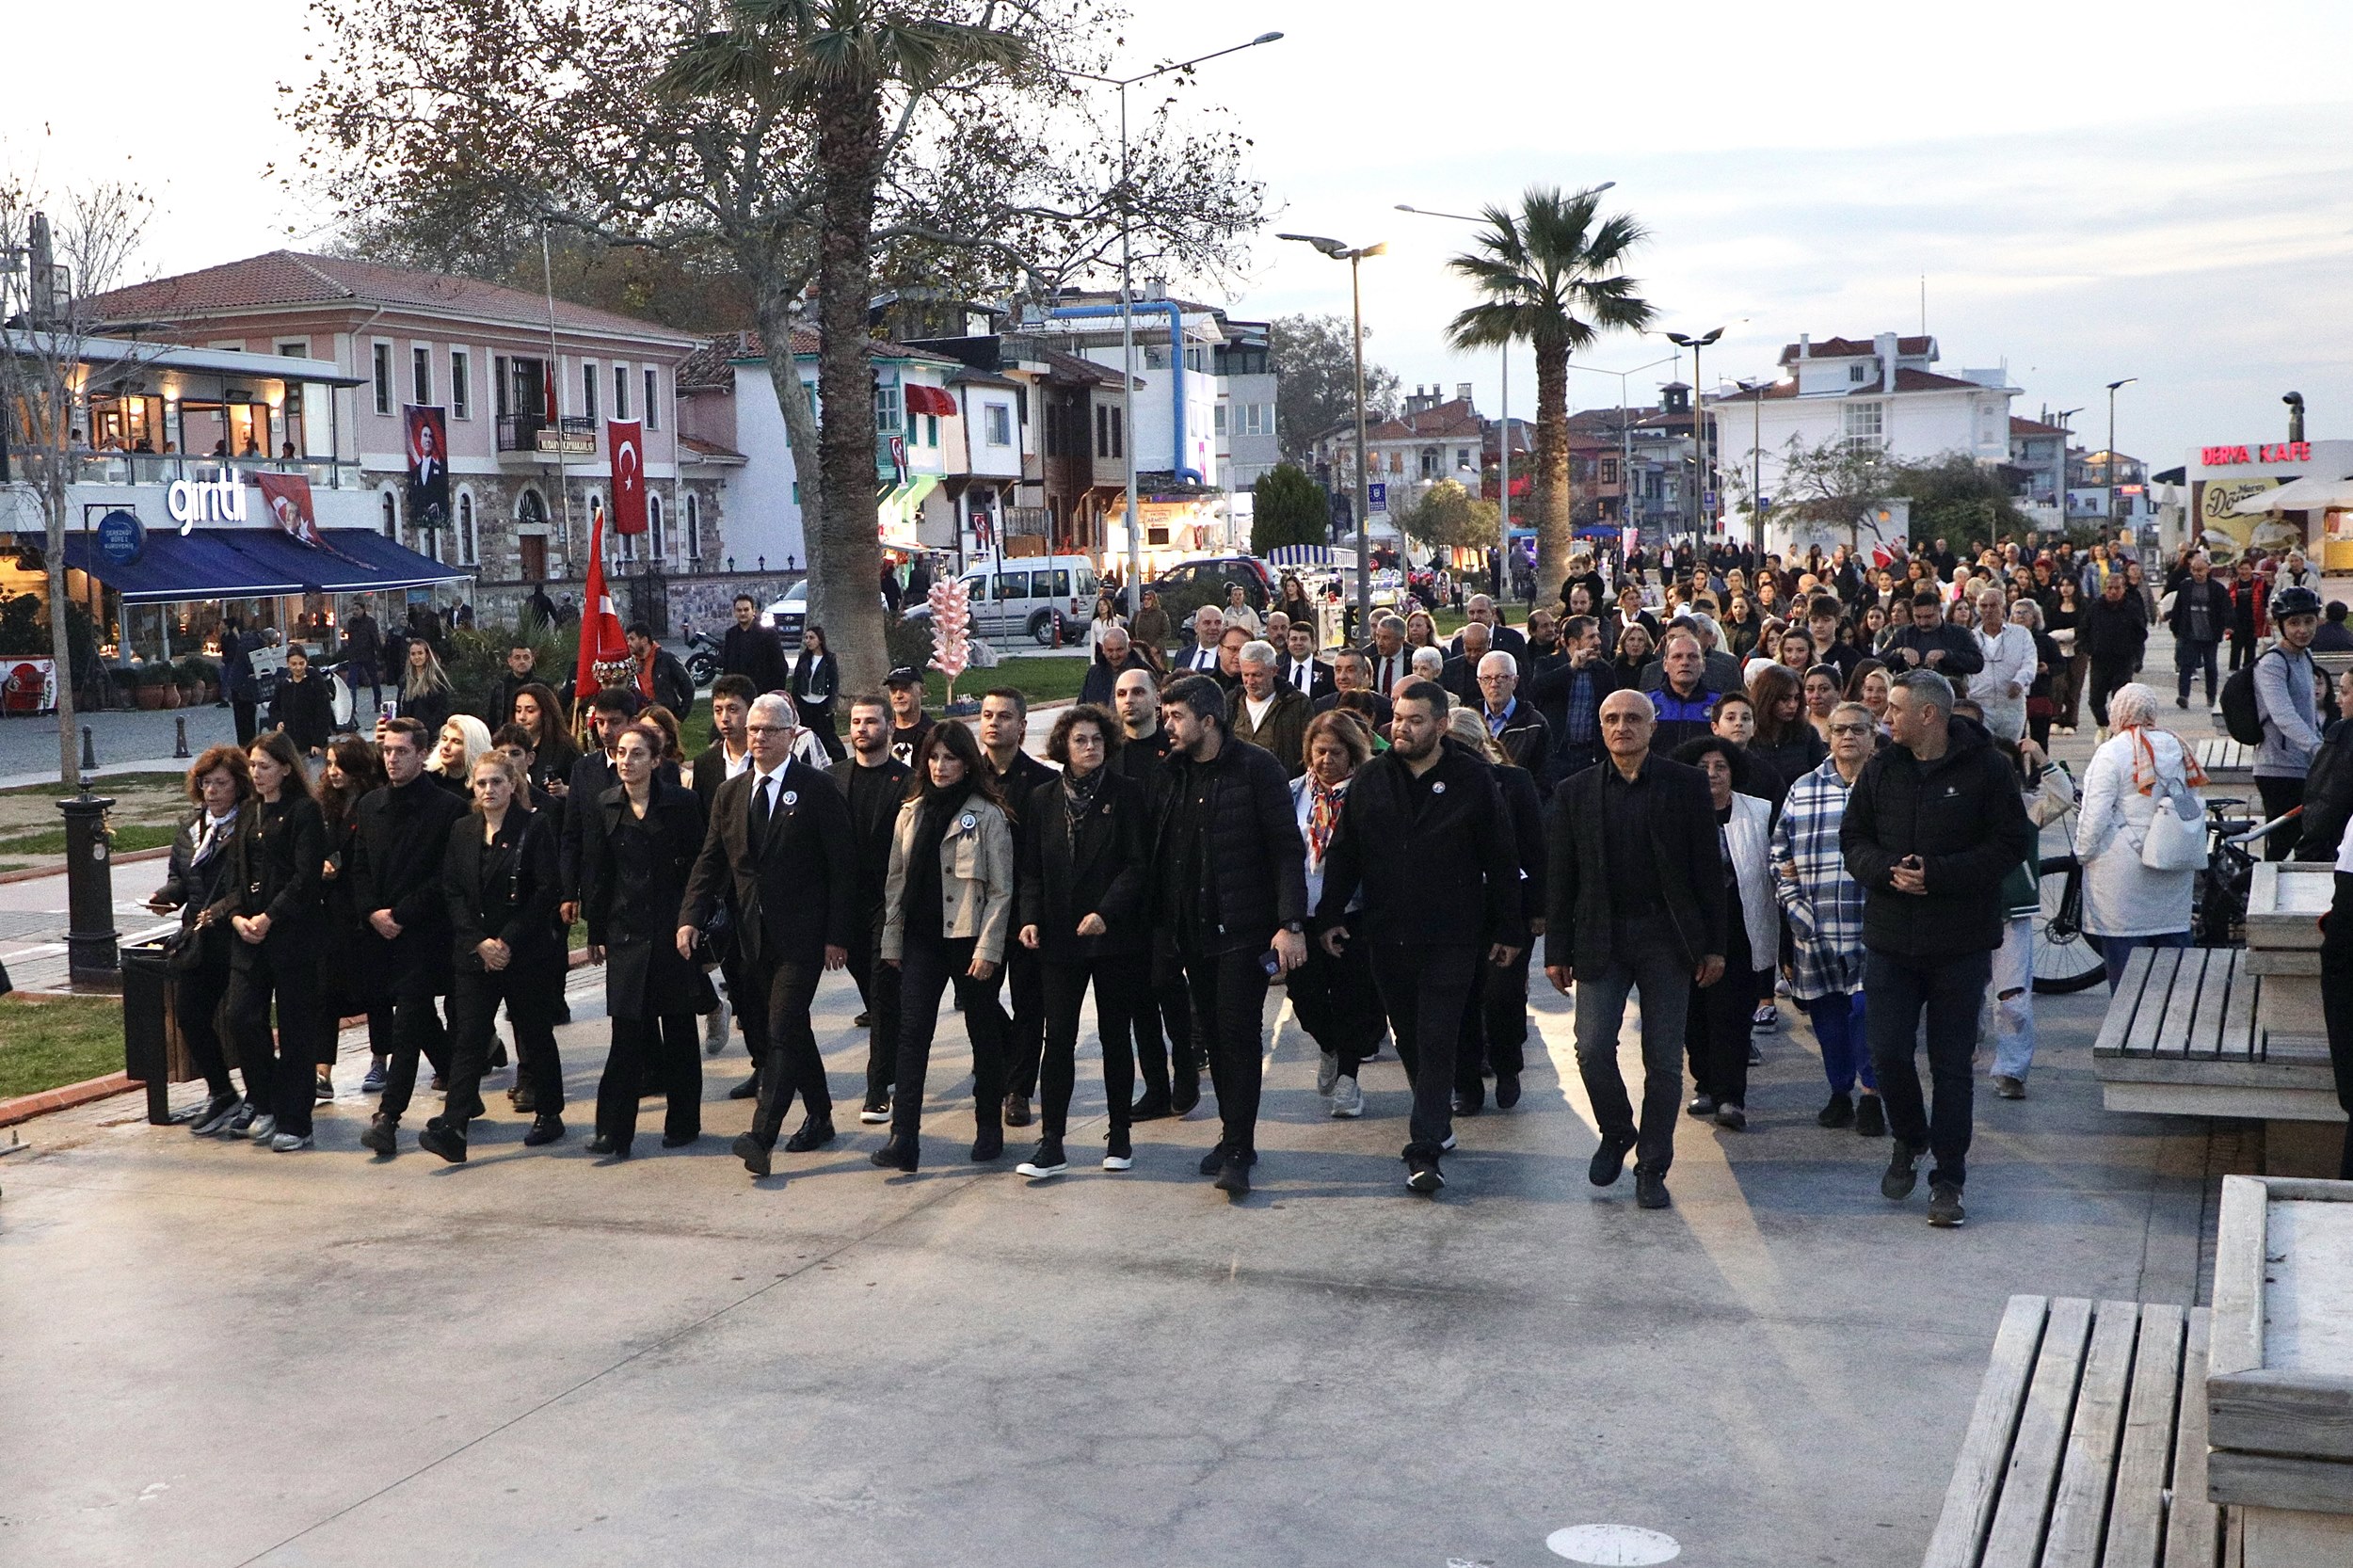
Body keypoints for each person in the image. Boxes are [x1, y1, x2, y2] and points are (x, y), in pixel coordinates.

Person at [1840, 669, 2033, 1229]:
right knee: (1888, 1053)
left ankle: (1949, 1179)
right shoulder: (1881, 768)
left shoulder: (1988, 768)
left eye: (1895, 709)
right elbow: (1853, 839)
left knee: (1952, 1068)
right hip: (1891, 940)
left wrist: (1940, 875)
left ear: (1929, 715)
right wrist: (1887, 871)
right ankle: (1910, 1136)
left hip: (1959, 943)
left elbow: (2010, 843)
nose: (1885, 718)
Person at [1315, 683, 1520, 1192]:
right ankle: (1437, 1119)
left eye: (1415, 720)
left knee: (1436, 1034)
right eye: (1399, 719)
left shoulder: (1472, 778)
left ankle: (1423, 1148)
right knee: (1409, 1035)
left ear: (1442, 726)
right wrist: (1330, 913)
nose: (1401, 728)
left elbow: (1500, 855)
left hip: (1453, 933)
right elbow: (1346, 850)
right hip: (1387, 934)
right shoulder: (1372, 778)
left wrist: (1509, 927)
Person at [1544, 689, 1725, 1210]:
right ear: (1601, 728)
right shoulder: (1575, 791)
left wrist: (1714, 946)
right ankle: (1617, 1129)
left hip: (1667, 938)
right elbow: (1561, 876)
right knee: (1592, 1047)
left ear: (1652, 726)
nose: (1621, 727)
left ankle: (1652, 1165)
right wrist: (1557, 948)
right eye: (1611, 719)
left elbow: (1707, 872)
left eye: (1632, 718)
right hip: (1601, 936)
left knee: (1664, 1061)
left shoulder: (1686, 785)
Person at [674, 693, 855, 1175]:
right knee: (792, 1027)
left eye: (769, 730)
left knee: (780, 1029)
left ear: (791, 735)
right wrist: (690, 916)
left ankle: (762, 1136)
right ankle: (820, 1116)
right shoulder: (730, 794)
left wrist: (838, 935)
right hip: (750, 937)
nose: (757, 738)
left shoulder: (816, 788)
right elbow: (710, 861)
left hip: (803, 937)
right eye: (753, 729)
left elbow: (843, 868)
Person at [1157, 675, 1308, 1195]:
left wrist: (1290, 924)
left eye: (1176, 716)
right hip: (1192, 933)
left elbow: (1286, 848)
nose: (1167, 725)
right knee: (1215, 1040)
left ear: (1208, 720)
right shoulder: (1173, 772)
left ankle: (1240, 1149)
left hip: (1245, 931)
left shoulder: (1256, 767)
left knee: (1239, 1037)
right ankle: (1231, 1133)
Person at [1014, 705, 1151, 1177]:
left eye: (1096, 739)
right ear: (1064, 747)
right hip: (1059, 937)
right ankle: (1052, 1141)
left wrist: (1105, 912)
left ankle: (1120, 1135)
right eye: (1080, 740)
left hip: (1113, 938)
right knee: (1058, 1040)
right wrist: (1030, 919)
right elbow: (1031, 870)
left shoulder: (1127, 793)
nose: (1090, 747)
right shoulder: (1043, 798)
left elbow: (1137, 865)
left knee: (1115, 1036)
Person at [872, 723, 1016, 1171]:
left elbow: (1001, 891)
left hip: (969, 938)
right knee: (912, 1034)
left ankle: (989, 1125)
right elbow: (895, 882)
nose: (940, 766)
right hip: (921, 939)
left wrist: (988, 949)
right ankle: (904, 1137)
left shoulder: (987, 816)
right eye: (933, 758)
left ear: (967, 763)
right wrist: (891, 939)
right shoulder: (911, 812)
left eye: (950, 758)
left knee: (982, 1031)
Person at [415, 748, 567, 1161]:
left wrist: (506, 941)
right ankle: (454, 1126)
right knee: (468, 1039)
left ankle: (549, 1112)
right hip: (475, 955)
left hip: (524, 953)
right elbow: (452, 890)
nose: (488, 790)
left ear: (513, 784)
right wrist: (479, 941)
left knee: (534, 1034)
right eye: (481, 783)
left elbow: (546, 891)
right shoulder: (463, 830)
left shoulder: (534, 826)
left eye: (497, 782)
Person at [581, 723, 713, 1160]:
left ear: (656, 761)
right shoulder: (605, 804)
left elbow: (700, 867)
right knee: (626, 1036)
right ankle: (612, 1132)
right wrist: (596, 931)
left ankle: (684, 1122)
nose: (626, 761)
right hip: (626, 935)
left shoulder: (681, 803)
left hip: (674, 932)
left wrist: (693, 919)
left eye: (637, 754)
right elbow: (598, 872)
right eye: (621, 752)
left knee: (678, 1030)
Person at [351, 718, 471, 1156]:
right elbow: (359, 866)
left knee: (407, 1023)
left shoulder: (448, 808)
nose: (392, 759)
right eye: (387, 750)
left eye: (402, 751)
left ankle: (388, 1117)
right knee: (420, 1021)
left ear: (423, 754)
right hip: (379, 933)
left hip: (424, 934)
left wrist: (400, 914)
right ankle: (461, 1083)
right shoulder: (370, 805)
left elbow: (446, 876)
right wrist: (372, 912)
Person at [1772, 703, 1884, 1136]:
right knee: (1829, 1020)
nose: (1847, 737)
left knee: (1866, 1010)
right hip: (1815, 927)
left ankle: (1872, 1093)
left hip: (1873, 925)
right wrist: (1795, 908)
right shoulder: (1803, 788)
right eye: (1839, 730)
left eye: (1857, 729)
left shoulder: (1887, 785)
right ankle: (1840, 1092)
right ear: (1828, 737)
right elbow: (1779, 853)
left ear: (1873, 735)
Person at [1669, 735, 1778, 1131]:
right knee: (1694, 1014)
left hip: (1741, 926)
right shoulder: (1674, 810)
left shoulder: (1759, 811)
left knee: (1732, 1014)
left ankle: (1732, 1096)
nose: (1712, 774)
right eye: (1703, 768)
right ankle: (1705, 1084)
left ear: (1734, 772)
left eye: (1721, 767)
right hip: (1689, 930)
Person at [152, 747, 263, 1135]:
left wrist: (221, 910)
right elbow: (181, 878)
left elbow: (251, 883)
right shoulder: (191, 828)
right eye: (205, 783)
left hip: (238, 935)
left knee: (243, 1018)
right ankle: (221, 1091)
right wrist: (166, 896)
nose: (211, 791)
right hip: (199, 940)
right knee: (190, 1014)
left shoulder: (250, 825)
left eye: (220, 783)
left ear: (239, 785)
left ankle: (260, 1095)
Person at [1443, 705, 1546, 1117]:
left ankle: (1507, 1066)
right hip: (1455, 909)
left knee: (1503, 995)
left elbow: (1535, 846)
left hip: (1507, 907)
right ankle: (1466, 1084)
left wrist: (1537, 908)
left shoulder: (1513, 781)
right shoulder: (1436, 784)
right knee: (1460, 999)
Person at [1112, 666, 1199, 1119]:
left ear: (1156, 700)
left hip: (1169, 888)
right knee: (1137, 997)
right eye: (1121, 693)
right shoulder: (1109, 753)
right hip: (1125, 895)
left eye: (1138, 692)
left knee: (1167, 984)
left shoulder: (1176, 753)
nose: (1129, 700)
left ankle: (1186, 1070)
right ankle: (1155, 1086)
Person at [2075, 683, 2202, 992]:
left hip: (2122, 877)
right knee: (2174, 975)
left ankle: (2130, 1022)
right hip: (2172, 866)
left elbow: (2094, 816)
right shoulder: (2176, 746)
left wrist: (2082, 853)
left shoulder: (2111, 752)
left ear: (2117, 712)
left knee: (2128, 980)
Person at [1288, 711, 1383, 1120]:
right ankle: (1328, 1047)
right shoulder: (1293, 793)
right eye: (1320, 751)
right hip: (1301, 915)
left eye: (1336, 752)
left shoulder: (1368, 794)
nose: (1326, 760)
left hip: (1351, 913)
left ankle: (1348, 1078)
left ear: (1353, 753)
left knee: (1351, 998)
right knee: (1304, 996)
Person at [974, 689, 1056, 1128]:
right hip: (979, 910)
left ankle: (1019, 1089)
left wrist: (1035, 913)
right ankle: (1002, 1062)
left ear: (1022, 726)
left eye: (1004, 716)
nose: (993, 722)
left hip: (1025, 910)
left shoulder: (1043, 782)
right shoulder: (968, 777)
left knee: (1029, 1003)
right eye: (987, 714)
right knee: (977, 997)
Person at [1979, 725, 2075, 1097]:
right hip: (1966, 912)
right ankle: (1962, 1049)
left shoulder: (2028, 809)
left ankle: (2011, 1071)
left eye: (2007, 769)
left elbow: (2063, 795)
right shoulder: (1960, 808)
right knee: (1962, 994)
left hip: (2013, 915)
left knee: (2013, 999)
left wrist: (2040, 755)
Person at [834, 696, 913, 1124]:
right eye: (855, 722)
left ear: (889, 727)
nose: (861, 729)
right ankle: (895, 1060)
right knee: (874, 991)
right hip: (847, 904)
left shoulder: (908, 781)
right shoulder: (832, 778)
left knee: (883, 993)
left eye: (871, 721)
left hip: (890, 901)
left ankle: (878, 1087)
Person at [2256, 585, 2327, 860]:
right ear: (2280, 625)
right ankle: (2249, 886)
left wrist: (2324, 743)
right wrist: (2317, 748)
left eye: (2309, 621)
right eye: (2294, 623)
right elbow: (2283, 715)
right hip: (2277, 768)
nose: (2303, 630)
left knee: (2304, 838)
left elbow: (2309, 711)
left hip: (2304, 765)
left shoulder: (2305, 656)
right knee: (2282, 845)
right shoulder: (2272, 664)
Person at [1229, 639, 1312, 778]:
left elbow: (1309, 751)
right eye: (1245, 675)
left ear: (1274, 671)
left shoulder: (1297, 704)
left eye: (1257, 675)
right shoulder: (1231, 702)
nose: (1250, 682)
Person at [2080, 569, 2149, 734]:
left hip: (2123, 661)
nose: (2113, 592)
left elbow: (2141, 633)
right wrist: (2089, 648)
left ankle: (2117, 730)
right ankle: (2104, 725)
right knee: (2095, 700)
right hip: (2099, 660)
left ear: (2124, 588)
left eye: (2117, 588)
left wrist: (2134, 654)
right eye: (2109, 588)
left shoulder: (2131, 608)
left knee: (2120, 699)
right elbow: (2083, 630)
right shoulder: (2095, 607)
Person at [1966, 587, 2035, 744]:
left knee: (2008, 750)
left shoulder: (2021, 634)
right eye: (1984, 606)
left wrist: (2019, 681)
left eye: (1993, 605)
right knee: (1984, 749)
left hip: (2011, 705)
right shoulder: (1970, 637)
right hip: (1980, 705)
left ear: (2003, 607)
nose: (1988, 610)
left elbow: (2029, 662)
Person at [1748, 664, 1826, 801]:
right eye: (1785, 699)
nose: (1792, 705)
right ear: (1767, 698)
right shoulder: (1749, 736)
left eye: (1796, 698)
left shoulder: (1807, 734)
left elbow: (1820, 775)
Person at [1882, 591, 1985, 693]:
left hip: (1948, 694)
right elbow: (1880, 661)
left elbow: (1977, 663)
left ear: (1940, 611)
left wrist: (1946, 655)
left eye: (1928, 617)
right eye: (1918, 617)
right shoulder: (1902, 634)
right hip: (1909, 694)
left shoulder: (1960, 633)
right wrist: (1899, 652)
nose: (1923, 622)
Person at [1475, 649, 1550, 787]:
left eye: (1501, 677)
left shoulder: (1534, 724)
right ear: (1479, 683)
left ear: (1515, 681)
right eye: (1486, 678)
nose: (1493, 684)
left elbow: (1543, 780)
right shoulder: (1470, 720)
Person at [2168, 552, 2233, 708]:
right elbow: (2178, 609)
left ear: (2208, 570)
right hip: (2189, 633)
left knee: (2210, 666)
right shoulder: (2185, 586)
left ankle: (2211, 696)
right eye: (2194, 570)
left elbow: (2226, 608)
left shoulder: (2217, 588)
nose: (2198, 573)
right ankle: (2183, 695)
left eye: (2201, 570)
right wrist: (2175, 627)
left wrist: (2229, 625)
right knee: (2186, 666)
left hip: (2210, 634)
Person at [266, 646, 336, 758]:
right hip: (290, 744)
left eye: (301, 663)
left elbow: (324, 713)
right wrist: (277, 722)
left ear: (306, 662)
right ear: (288, 664)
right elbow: (274, 708)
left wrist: (317, 742)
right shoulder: (284, 683)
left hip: (311, 743)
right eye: (293, 664)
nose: (298, 668)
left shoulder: (315, 681)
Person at [722, 594, 792, 695]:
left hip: (763, 693)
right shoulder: (731, 634)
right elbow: (727, 667)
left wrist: (774, 695)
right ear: (734, 612)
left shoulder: (769, 634)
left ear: (753, 611)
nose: (743, 613)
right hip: (738, 693)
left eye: (746, 609)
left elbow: (780, 668)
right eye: (739, 610)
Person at [626, 623, 695, 722]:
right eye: (628, 640)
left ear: (644, 640)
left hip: (664, 718)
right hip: (641, 718)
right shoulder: (632, 663)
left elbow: (688, 686)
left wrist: (680, 715)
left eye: (632, 639)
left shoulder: (666, 659)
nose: (628, 643)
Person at [1080, 625, 1154, 708]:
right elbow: (1082, 706)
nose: (1115, 655)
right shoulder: (1094, 673)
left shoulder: (1144, 672)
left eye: (1119, 650)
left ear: (1129, 647)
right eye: (1110, 650)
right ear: (1103, 649)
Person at [425, 715, 492, 799]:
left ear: (474, 748)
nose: (446, 746)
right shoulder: (426, 778)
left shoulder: (484, 788)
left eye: (456, 742)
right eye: (444, 739)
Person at [397, 639, 454, 738]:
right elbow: (400, 706)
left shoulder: (437, 679)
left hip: (431, 733)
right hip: (409, 733)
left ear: (427, 655)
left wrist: (429, 730)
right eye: (413, 654)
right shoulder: (405, 680)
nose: (417, 657)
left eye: (420, 653)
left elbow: (443, 708)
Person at [1275, 621, 1334, 702]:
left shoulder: (1329, 672)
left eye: (1303, 639)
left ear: (1313, 642)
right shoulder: (1279, 674)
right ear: (1287, 642)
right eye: (1294, 639)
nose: (1298, 643)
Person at [2227, 558, 2268, 674]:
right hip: (2237, 619)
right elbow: (2228, 601)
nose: (2244, 572)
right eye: (2241, 569)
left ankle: (2248, 669)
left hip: (2253, 618)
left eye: (2246, 569)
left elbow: (2266, 598)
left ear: (2251, 569)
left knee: (2251, 645)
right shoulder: (2233, 584)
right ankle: (2233, 669)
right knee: (2236, 645)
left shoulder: (2260, 583)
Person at [343, 604, 384, 712]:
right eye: (353, 609)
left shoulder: (370, 622)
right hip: (354, 656)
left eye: (357, 609)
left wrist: (379, 653)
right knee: (352, 682)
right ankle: (352, 706)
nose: (354, 612)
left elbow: (375, 637)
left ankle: (378, 703)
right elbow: (350, 638)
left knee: (374, 680)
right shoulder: (351, 622)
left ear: (363, 610)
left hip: (368, 655)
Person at [1178, 606, 1227, 677]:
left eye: (1218, 623)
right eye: (1207, 623)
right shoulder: (1182, 655)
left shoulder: (1227, 658)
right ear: (1196, 627)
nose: (1213, 627)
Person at [1128, 587, 1173, 659]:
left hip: (1157, 652)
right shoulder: (1138, 614)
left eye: (1149, 599)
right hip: (1140, 651)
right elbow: (1131, 630)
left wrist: (1156, 647)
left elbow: (1166, 632)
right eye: (1144, 599)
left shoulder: (1161, 614)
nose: (1146, 601)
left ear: (1153, 600)